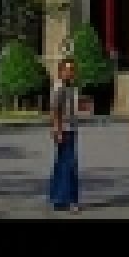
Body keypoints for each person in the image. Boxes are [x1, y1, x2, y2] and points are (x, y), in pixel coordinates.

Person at [48, 58, 81, 213]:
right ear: (61, 71)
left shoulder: (71, 87)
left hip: (72, 129)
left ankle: (58, 199)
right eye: (67, 70)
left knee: (63, 164)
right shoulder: (59, 87)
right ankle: (71, 200)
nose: (70, 72)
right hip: (64, 130)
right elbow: (55, 110)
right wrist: (57, 130)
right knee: (69, 165)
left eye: (72, 70)